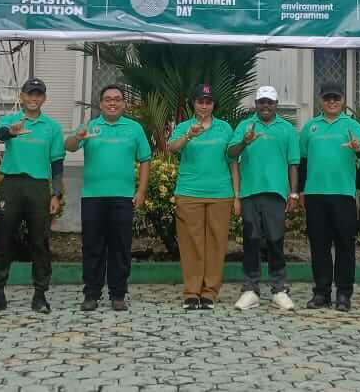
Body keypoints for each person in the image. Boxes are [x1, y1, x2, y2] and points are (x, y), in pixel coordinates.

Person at [65, 84, 151, 312]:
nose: (112, 102)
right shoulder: (90, 126)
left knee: (120, 246)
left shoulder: (134, 128)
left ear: (124, 103)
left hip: (123, 197)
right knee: (92, 246)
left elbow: (145, 159)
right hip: (93, 197)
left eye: (117, 99)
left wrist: (141, 191)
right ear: (101, 104)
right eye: (108, 99)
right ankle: (91, 294)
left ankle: (118, 294)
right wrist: (77, 136)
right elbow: (69, 147)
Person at [0, 78, 65, 315]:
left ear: (44, 98)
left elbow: (57, 163)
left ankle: (40, 295)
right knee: (3, 239)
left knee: (39, 242)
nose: (33, 98)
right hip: (12, 184)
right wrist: (11, 132)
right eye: (30, 94)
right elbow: (1, 134)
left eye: (38, 94)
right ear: (22, 96)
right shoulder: (10, 120)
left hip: (38, 186)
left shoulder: (52, 127)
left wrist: (56, 194)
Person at [166, 84, 239, 311]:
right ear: (193, 104)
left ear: (214, 104)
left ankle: (209, 292)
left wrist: (237, 195)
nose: (204, 106)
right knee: (191, 244)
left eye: (208, 102)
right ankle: (192, 292)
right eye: (200, 102)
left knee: (217, 244)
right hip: (190, 192)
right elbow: (171, 148)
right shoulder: (183, 126)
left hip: (221, 193)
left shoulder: (225, 128)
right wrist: (189, 135)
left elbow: (233, 162)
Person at [227, 86, 299, 312]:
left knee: (276, 241)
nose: (265, 106)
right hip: (249, 192)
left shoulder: (287, 129)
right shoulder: (245, 126)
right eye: (261, 102)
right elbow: (231, 153)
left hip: (276, 193)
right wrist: (245, 142)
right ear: (256, 104)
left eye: (269, 102)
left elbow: (293, 163)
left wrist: (293, 192)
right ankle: (250, 289)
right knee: (251, 240)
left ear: (276, 104)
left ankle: (279, 289)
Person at [298, 82, 360, 312]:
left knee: (345, 245)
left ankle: (344, 294)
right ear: (321, 100)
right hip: (315, 194)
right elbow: (303, 161)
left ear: (343, 99)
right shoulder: (310, 127)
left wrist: (357, 149)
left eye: (336, 98)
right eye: (328, 98)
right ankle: (321, 292)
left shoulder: (353, 126)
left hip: (343, 194)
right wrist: (300, 190)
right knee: (319, 245)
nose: (332, 102)